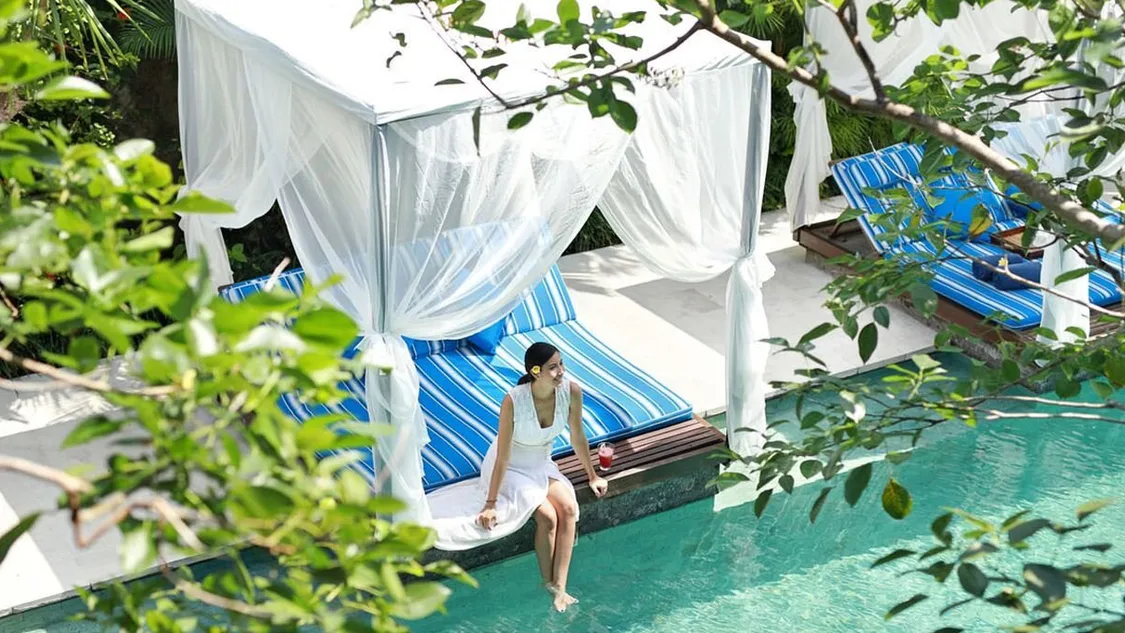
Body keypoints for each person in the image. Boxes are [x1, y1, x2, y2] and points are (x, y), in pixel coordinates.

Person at [428, 341, 608, 612]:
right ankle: (548, 583)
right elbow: (502, 456)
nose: (561, 371)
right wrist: (490, 503)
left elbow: (578, 436)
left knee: (569, 509)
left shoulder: (571, 391)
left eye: (561, 364)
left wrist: (592, 475)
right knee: (548, 517)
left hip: (540, 463)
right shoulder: (513, 400)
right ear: (535, 371)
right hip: (510, 466)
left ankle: (561, 587)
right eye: (553, 367)